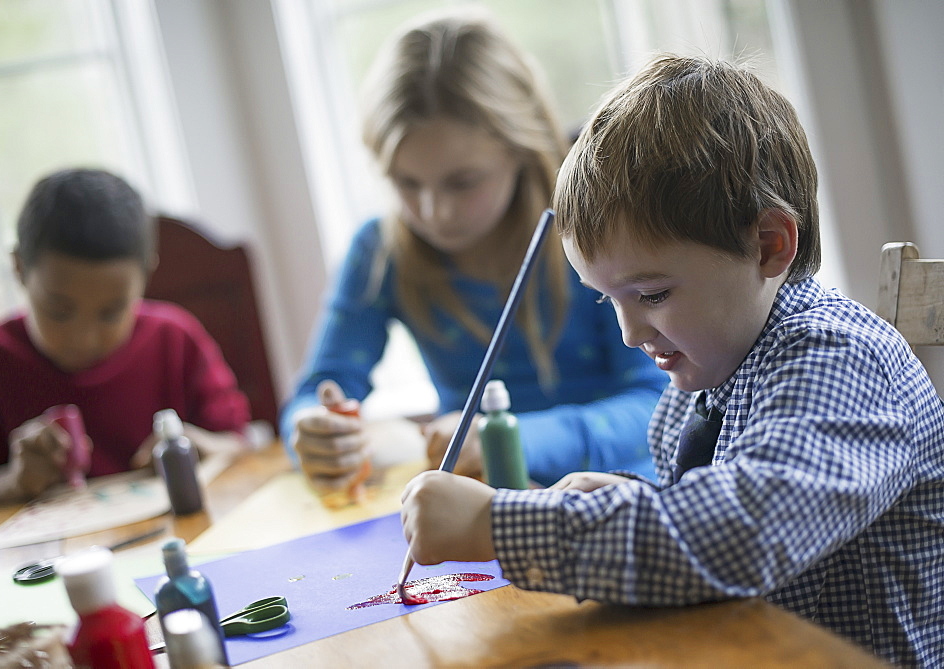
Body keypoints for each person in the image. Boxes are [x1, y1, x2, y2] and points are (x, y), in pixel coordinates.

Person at [399, 55, 944, 667]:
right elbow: (711, 505)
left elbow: (739, 536)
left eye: (652, 295)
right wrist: (630, 498)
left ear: (769, 245)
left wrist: (499, 524)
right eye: (609, 301)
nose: (631, 334)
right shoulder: (712, 360)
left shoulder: (840, 362)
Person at [280, 8, 666, 498]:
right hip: (477, 509)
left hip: (622, 497)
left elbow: (659, 402)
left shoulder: (597, 225)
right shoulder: (381, 251)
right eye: (406, 183)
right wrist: (316, 428)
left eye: (462, 182)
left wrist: (509, 438)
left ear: (521, 148)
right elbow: (320, 387)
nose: (434, 211)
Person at [0, 168, 250, 515]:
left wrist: (199, 447)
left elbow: (239, 444)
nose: (83, 337)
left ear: (146, 275)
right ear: (19, 269)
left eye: (111, 312)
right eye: (59, 311)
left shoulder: (176, 340)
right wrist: (13, 481)